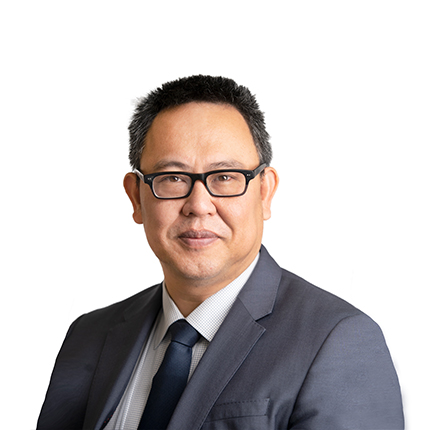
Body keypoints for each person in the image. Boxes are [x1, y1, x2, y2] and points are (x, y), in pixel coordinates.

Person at [37, 75, 404, 430]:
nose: (199, 205)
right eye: (173, 178)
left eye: (225, 177)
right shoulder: (89, 336)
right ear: (136, 197)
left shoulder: (339, 341)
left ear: (264, 192)